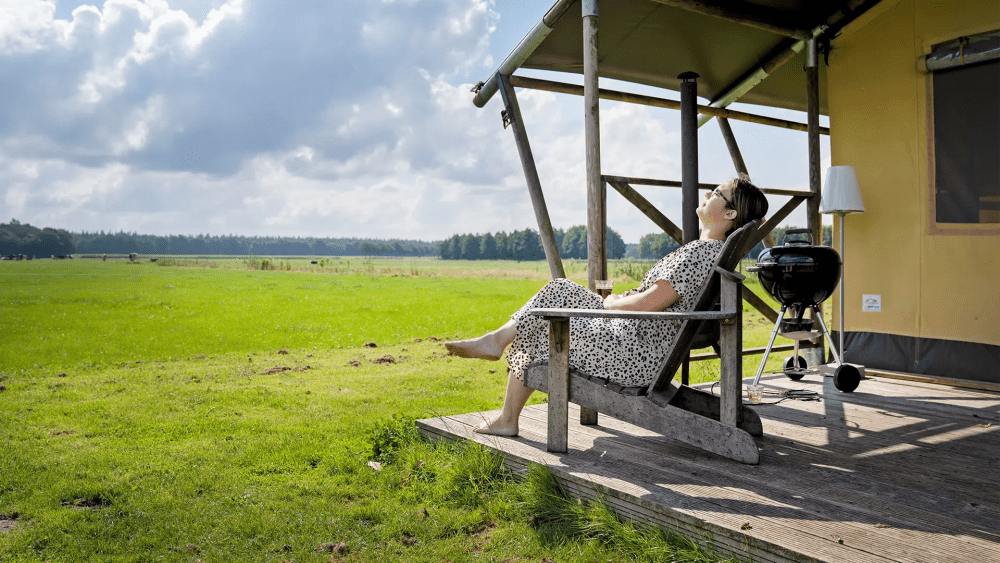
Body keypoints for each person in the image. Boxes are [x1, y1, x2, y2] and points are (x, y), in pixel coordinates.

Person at [445, 177, 768, 437]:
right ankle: (497, 342)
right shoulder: (711, 251)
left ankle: (506, 414)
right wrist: (616, 302)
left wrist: (613, 302)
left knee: (542, 326)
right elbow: (656, 301)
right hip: (645, 341)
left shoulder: (701, 252)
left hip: (633, 352)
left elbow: (646, 304)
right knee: (560, 290)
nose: (708, 193)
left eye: (717, 192)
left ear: (729, 214)